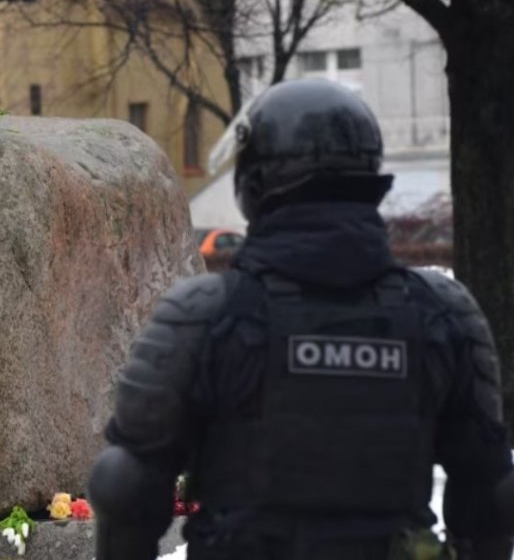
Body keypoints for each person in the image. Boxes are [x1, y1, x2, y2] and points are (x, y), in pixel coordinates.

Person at [89, 80, 514, 560]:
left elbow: (126, 486)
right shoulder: (444, 312)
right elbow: (490, 490)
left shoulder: (202, 314)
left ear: (254, 181)